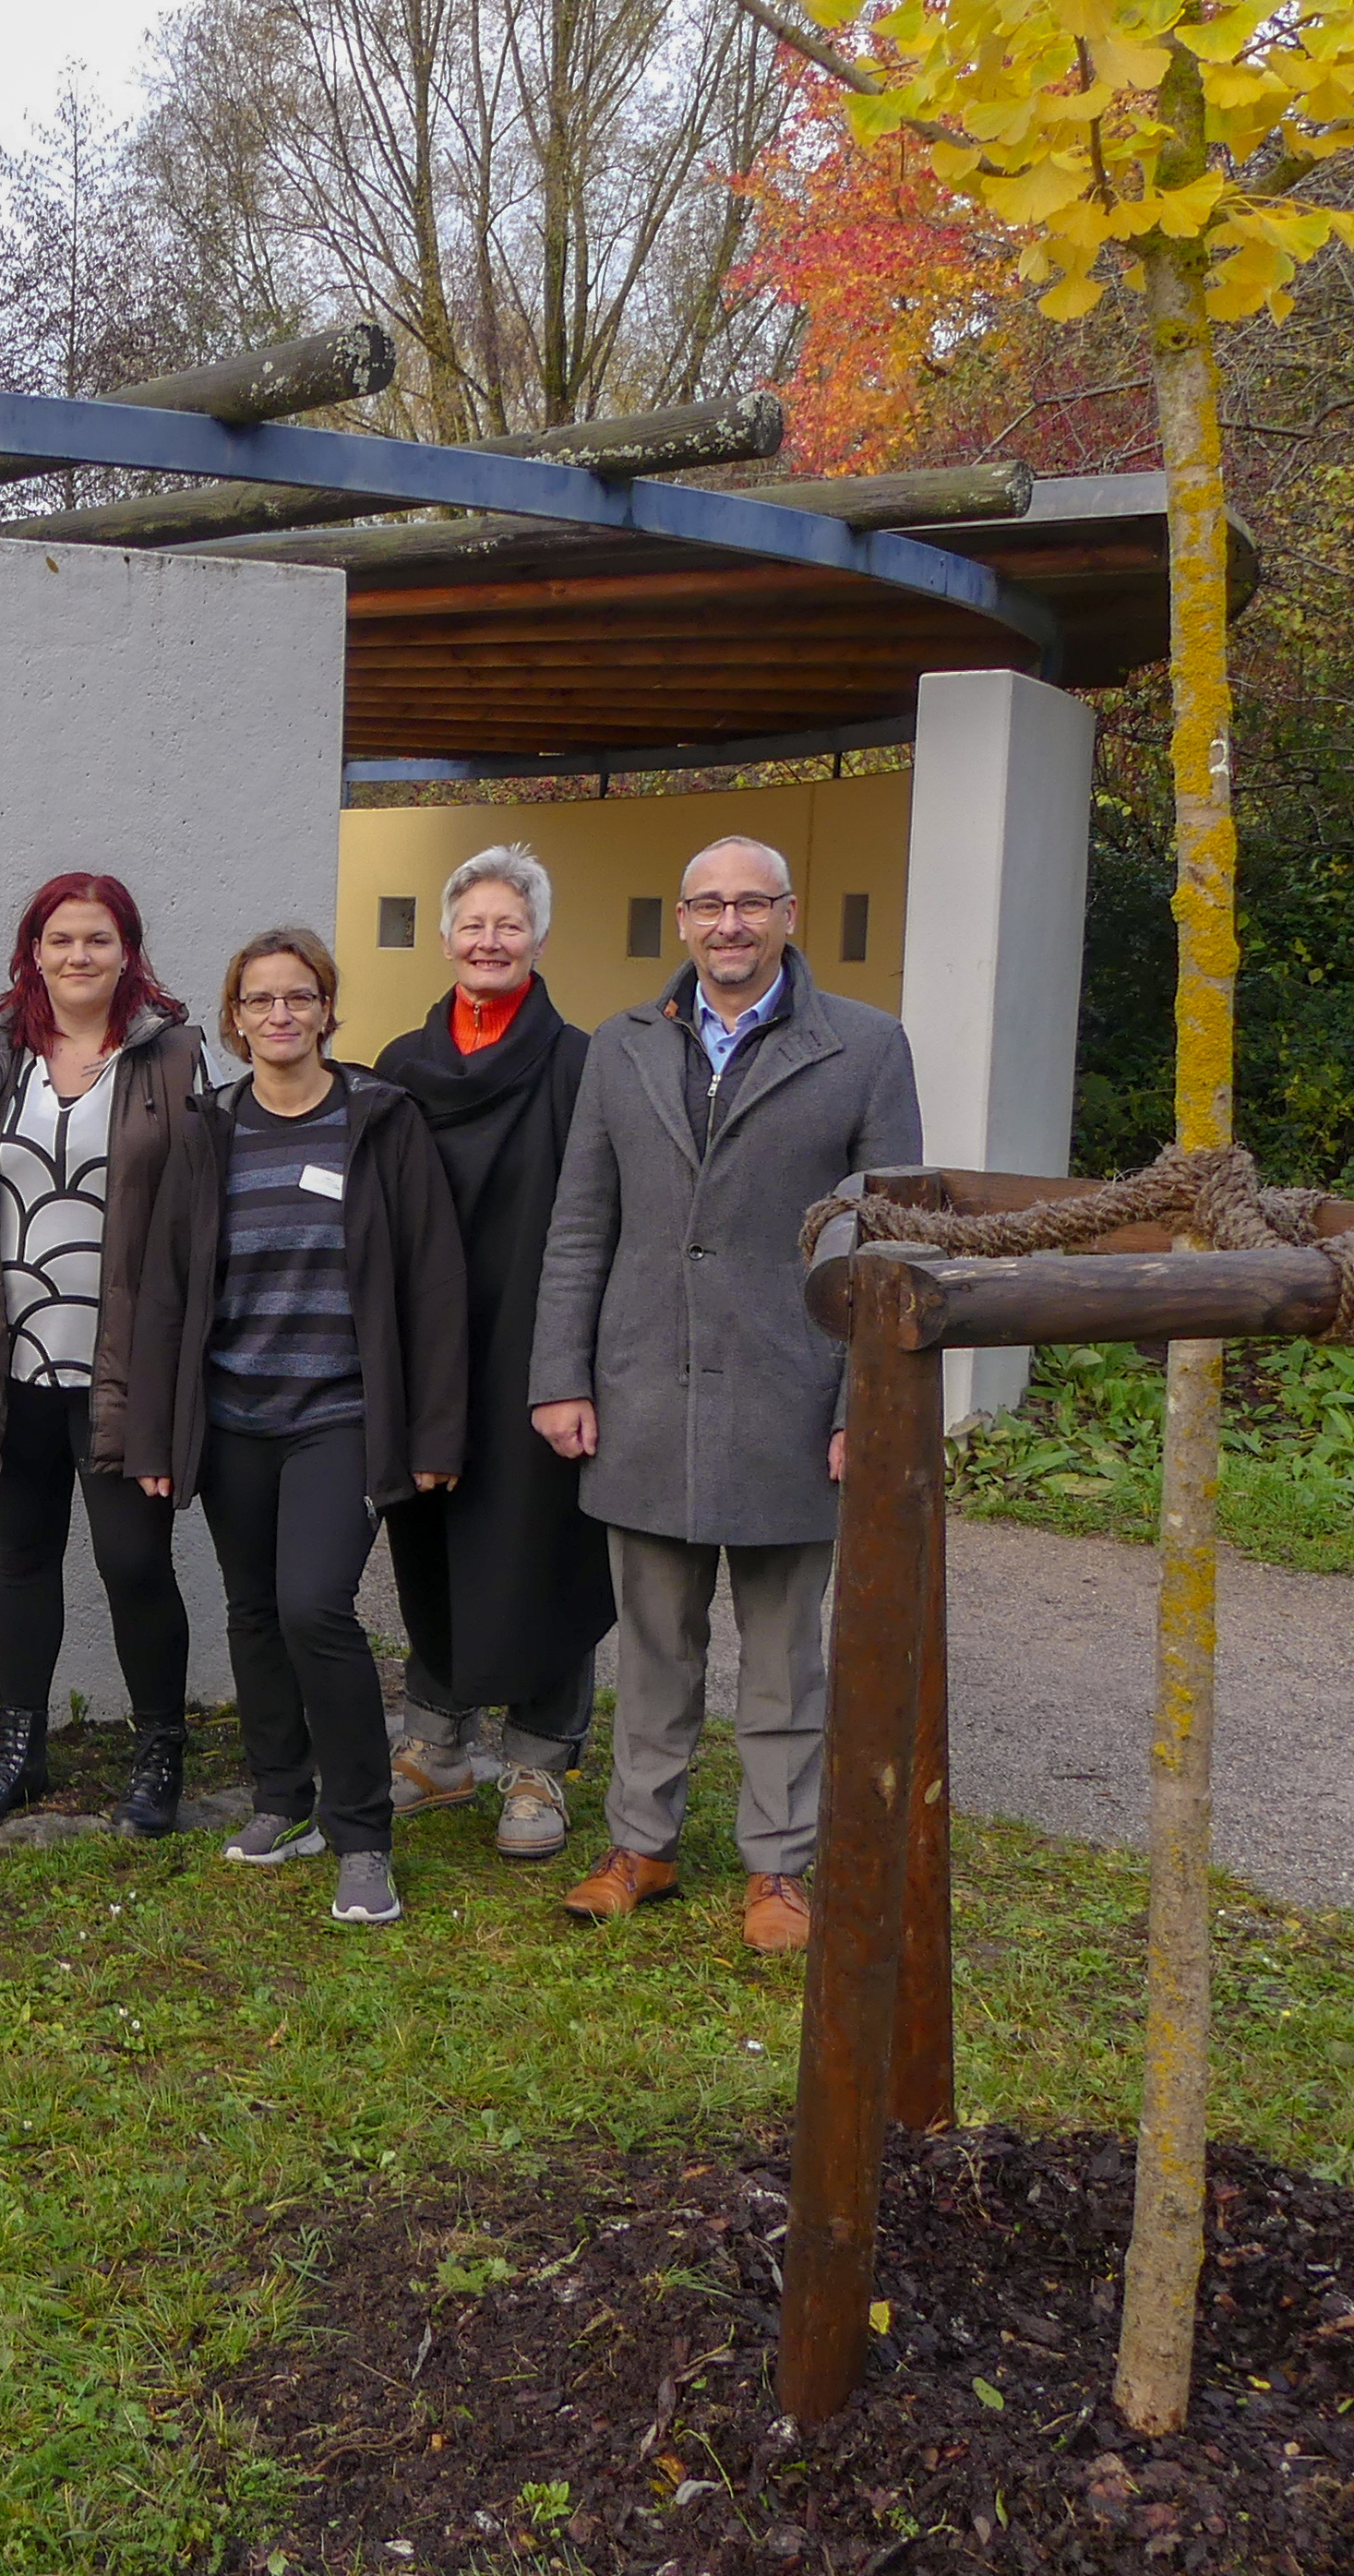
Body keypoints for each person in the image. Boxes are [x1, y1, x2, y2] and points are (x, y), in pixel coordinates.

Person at [529, 834, 923, 1954]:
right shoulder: (623, 1048)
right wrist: (560, 1374)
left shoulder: (863, 1047)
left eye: (752, 905)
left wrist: (862, 1403)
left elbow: (892, 1241)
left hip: (789, 1395)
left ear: (788, 914)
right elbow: (579, 1224)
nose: (730, 925)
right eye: (709, 906)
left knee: (785, 1651)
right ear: (684, 922)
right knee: (651, 1645)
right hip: (643, 1386)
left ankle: (777, 1867)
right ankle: (641, 1846)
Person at [126, 929, 467, 1926]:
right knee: (252, 1610)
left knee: (314, 1607)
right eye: (260, 1001)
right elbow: (164, 1294)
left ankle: (361, 1834)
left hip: (341, 1415)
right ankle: (285, 1798)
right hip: (233, 1417)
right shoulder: (208, 1130)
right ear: (233, 1020)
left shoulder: (379, 1120)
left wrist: (435, 1437)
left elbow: (434, 1281)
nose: (279, 1016)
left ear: (326, 1010)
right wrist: (156, 1436)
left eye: (298, 998)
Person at [0, 872, 212, 1835]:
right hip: (11, 1356)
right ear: (32, 952)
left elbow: (201, 1212)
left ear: (127, 950)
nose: (77, 957)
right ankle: (20, 1751)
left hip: (128, 1361)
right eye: (59, 940)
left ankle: (158, 1754)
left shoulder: (171, 1057)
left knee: (133, 1562)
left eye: (96, 939)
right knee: (21, 1558)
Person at [369, 845, 619, 1865]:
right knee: (427, 1533)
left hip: (540, 1342)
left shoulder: (583, 1065)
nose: (487, 940)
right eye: (471, 924)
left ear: (539, 940)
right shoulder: (399, 1069)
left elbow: (606, 1211)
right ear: (444, 940)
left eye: (507, 924)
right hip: (430, 1345)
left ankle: (537, 1761)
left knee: (544, 1548)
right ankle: (434, 1744)